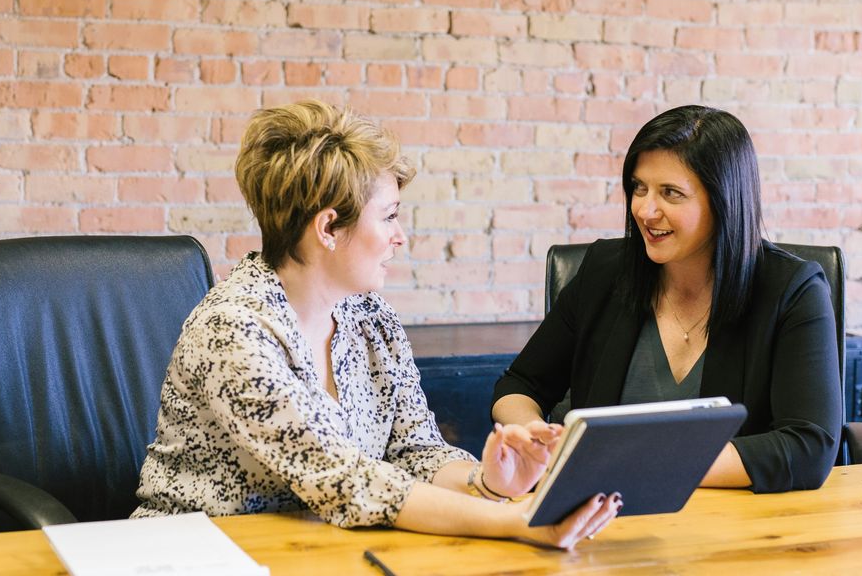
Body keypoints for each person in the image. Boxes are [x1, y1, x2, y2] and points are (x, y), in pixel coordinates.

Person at [132, 100, 619, 548]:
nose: (400, 237)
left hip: (320, 550)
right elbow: (345, 480)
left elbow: (415, 450)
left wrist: (488, 482)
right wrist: (517, 521)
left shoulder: (369, 317)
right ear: (328, 228)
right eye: (388, 216)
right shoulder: (233, 330)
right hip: (194, 554)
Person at [492, 105, 843, 493]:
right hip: (600, 517)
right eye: (639, 188)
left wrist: (635, 463)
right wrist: (532, 437)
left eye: (671, 193)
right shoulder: (605, 271)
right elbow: (519, 384)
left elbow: (809, 446)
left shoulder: (792, 290)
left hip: (736, 525)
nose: (645, 209)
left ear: (724, 200)